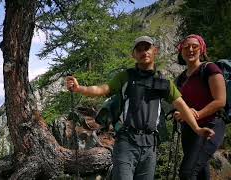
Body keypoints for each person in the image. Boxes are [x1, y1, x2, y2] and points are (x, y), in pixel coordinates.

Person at [65, 35, 215, 180]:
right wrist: (79, 88)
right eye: (139, 49)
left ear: (155, 51)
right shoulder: (125, 77)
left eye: (147, 48)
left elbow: (182, 106)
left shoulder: (164, 82)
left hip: (150, 146)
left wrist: (197, 129)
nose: (144, 52)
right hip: (126, 142)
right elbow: (102, 89)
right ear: (134, 55)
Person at [174, 34, 226, 180]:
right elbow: (180, 104)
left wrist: (195, 114)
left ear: (202, 49)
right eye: (186, 47)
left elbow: (220, 101)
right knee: (200, 171)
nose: (190, 49)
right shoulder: (181, 78)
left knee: (187, 172)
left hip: (211, 125)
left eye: (194, 46)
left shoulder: (210, 68)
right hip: (190, 129)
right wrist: (179, 113)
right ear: (181, 50)